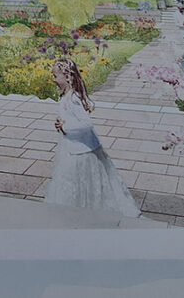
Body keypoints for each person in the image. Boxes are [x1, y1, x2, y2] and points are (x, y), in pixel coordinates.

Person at [44, 59, 141, 217]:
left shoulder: (73, 99)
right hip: (72, 146)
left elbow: (86, 124)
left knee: (78, 179)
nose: (53, 79)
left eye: (55, 76)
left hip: (80, 150)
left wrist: (65, 127)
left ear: (67, 76)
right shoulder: (67, 96)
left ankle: (80, 210)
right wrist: (61, 124)